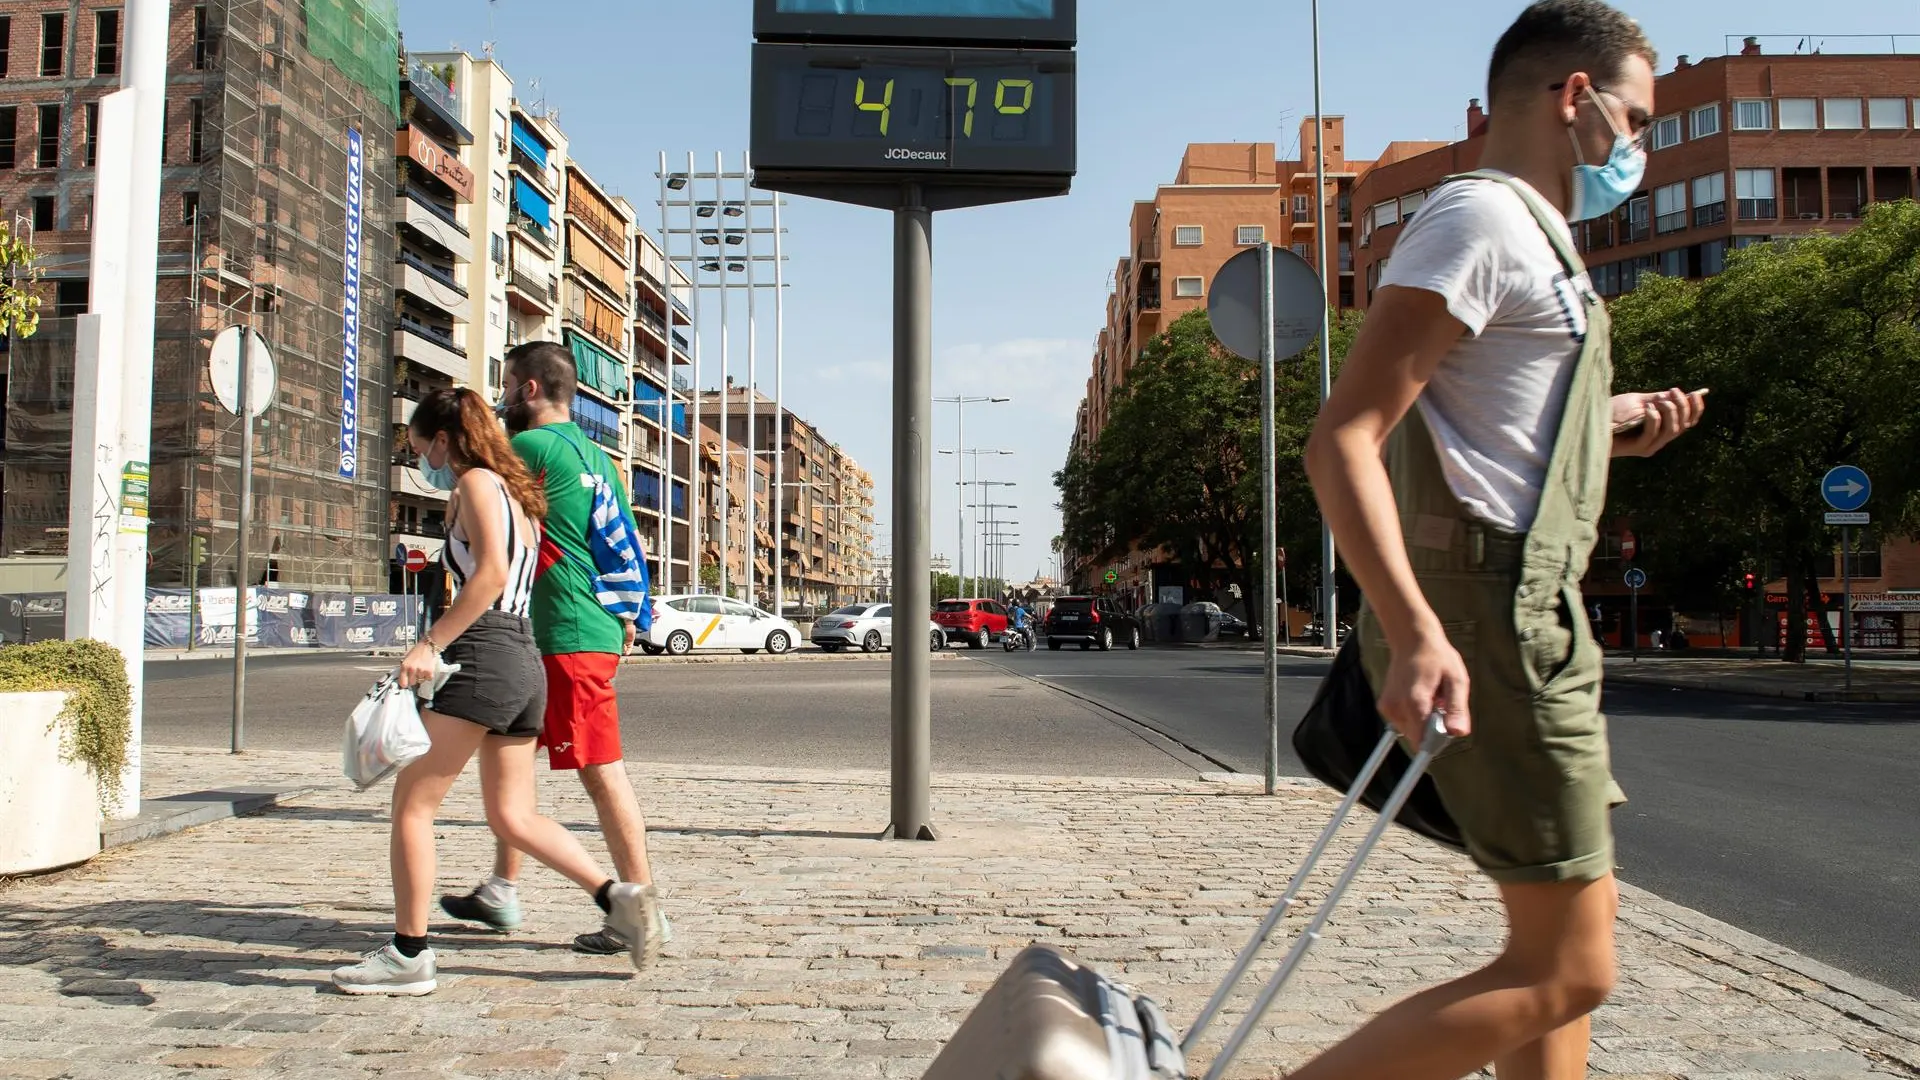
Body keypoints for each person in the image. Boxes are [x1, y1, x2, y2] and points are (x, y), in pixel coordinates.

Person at [1296, 3, 1707, 1077]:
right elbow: (1344, 438)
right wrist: (1415, 628)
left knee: (1558, 959)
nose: (1640, 148)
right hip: (1491, 618)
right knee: (1570, 971)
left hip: (1530, 615)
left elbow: (1490, 433)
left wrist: (1616, 431)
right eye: (1637, 118)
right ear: (1576, 99)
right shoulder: (1477, 221)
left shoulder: (1540, 240)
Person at [331, 389, 653, 995]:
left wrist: (430, 644)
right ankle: (619, 900)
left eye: (419, 445)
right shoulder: (518, 497)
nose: (418, 456)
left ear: (445, 440)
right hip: (522, 657)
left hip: (485, 652)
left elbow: (491, 575)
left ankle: (409, 954)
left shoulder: (477, 484)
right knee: (513, 814)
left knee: (412, 806)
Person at [439, 342, 670, 965]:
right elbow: (619, 540)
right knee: (505, 761)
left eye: (507, 383)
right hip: (577, 627)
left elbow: (471, 496)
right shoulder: (598, 455)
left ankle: (640, 909)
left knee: (601, 771)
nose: (501, 396)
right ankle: (501, 887)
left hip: (561, 631)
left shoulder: (531, 449)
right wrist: (632, 615)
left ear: (531, 390)